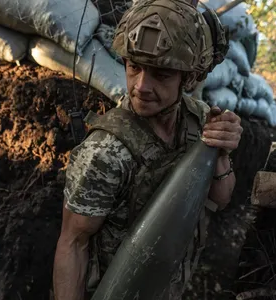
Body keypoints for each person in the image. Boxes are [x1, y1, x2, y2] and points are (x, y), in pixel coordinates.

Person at [53, 0, 242, 299]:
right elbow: (73, 243)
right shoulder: (105, 153)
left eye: (161, 74)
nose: (141, 86)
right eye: (134, 67)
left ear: (189, 77)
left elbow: (221, 198)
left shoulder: (199, 119)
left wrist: (222, 151)